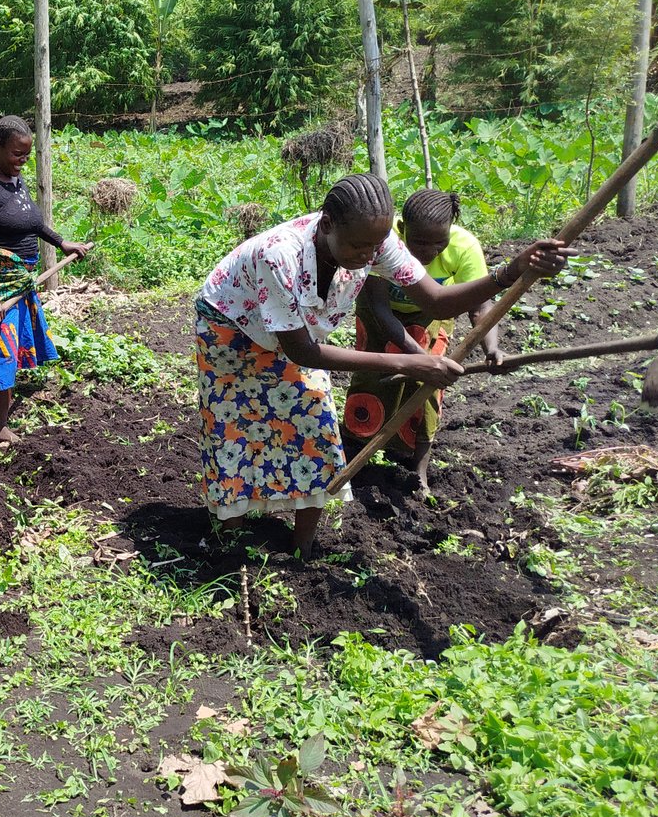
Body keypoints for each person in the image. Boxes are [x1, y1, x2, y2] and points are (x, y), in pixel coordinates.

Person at [195, 173, 571, 556]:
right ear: (327, 224)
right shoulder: (280, 255)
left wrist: (511, 271)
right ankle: (232, 542)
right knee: (237, 430)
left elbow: (437, 301)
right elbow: (303, 353)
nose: (367, 256)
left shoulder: (377, 242)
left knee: (315, 425)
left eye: (374, 246)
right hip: (232, 328)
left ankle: (302, 548)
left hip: (296, 334)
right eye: (358, 246)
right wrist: (407, 362)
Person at [342, 189, 502, 493]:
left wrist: (491, 348)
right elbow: (379, 308)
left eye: (439, 242)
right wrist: (419, 357)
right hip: (380, 313)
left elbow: (480, 306)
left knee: (428, 387)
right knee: (373, 376)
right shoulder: (383, 239)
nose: (430, 250)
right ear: (403, 229)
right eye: (420, 242)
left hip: (432, 314)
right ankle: (355, 452)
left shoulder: (465, 247)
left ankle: (418, 465)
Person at [0, 115, 92, 442]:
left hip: (20, 281)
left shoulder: (15, 180)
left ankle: (0, 424)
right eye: (17, 154)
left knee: (10, 351)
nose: (22, 160)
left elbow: (32, 221)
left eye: (27, 155)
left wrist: (61, 242)